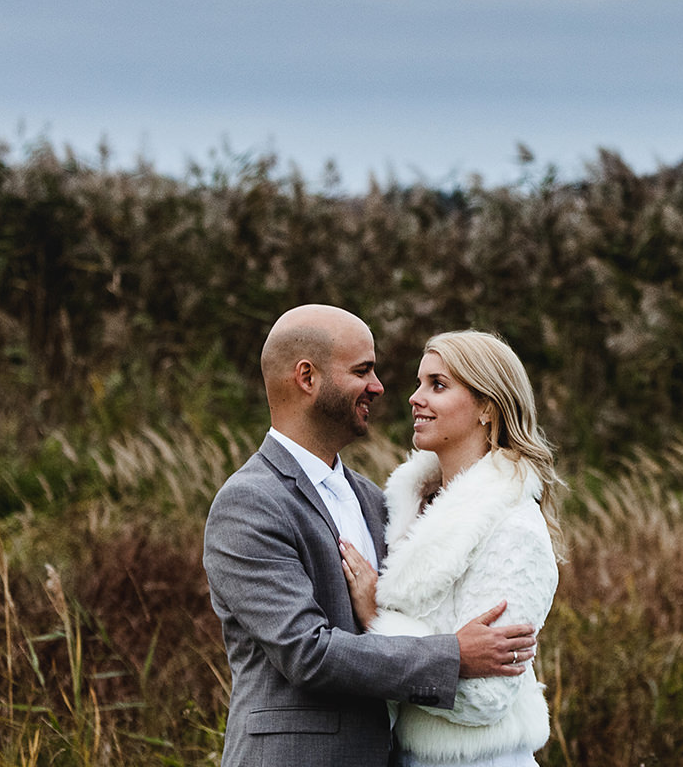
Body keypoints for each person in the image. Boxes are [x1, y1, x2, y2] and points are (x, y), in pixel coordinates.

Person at [204, 305, 538, 767]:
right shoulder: (249, 503)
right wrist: (452, 656)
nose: (381, 387)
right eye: (363, 371)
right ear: (307, 378)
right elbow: (307, 652)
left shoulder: (375, 499)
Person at [337, 331, 563, 767]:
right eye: (420, 383)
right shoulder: (405, 508)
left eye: (437, 385)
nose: (415, 398)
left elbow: (486, 695)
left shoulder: (514, 527)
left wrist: (376, 619)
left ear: (486, 408)